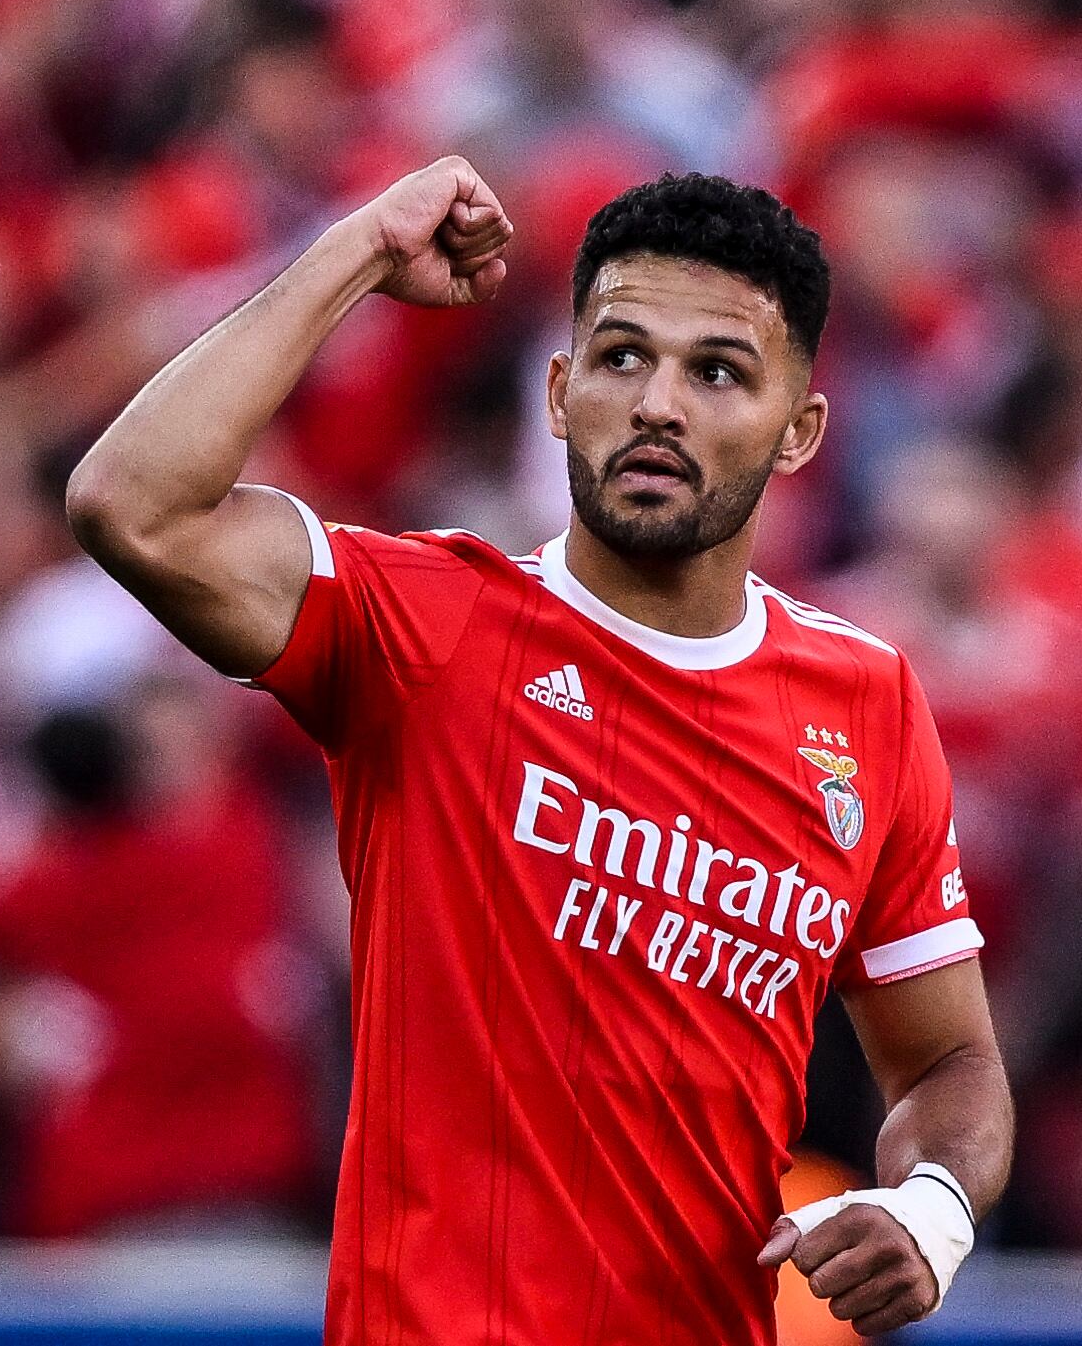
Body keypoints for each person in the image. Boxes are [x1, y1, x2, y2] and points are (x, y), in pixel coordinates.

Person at [66, 158, 1013, 1343]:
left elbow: (949, 1061)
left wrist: (932, 1207)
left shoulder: (864, 705)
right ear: (559, 392)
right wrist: (351, 252)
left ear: (798, 431)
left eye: (716, 371)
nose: (657, 402)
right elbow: (132, 503)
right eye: (622, 357)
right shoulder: (421, 626)